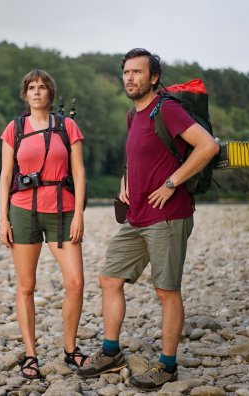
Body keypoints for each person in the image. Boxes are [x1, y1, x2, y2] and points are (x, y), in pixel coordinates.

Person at [77, 48, 219, 389]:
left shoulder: (166, 109)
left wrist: (172, 183)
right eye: (126, 72)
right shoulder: (133, 115)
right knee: (110, 279)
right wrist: (124, 182)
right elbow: (136, 156)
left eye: (137, 72)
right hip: (137, 217)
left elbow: (208, 146)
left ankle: (167, 366)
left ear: (153, 77)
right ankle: (111, 352)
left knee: (166, 291)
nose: (129, 78)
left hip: (169, 216)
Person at [0, 69, 88, 380]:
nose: (37, 92)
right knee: (26, 286)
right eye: (31, 88)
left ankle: (70, 349)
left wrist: (79, 214)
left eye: (43, 87)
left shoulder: (68, 126)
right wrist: (2, 219)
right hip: (22, 210)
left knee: (75, 283)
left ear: (51, 93)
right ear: (25, 94)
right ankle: (31, 354)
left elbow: (79, 173)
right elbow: (5, 176)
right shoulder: (15, 128)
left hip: (63, 211)